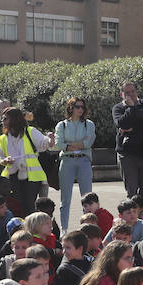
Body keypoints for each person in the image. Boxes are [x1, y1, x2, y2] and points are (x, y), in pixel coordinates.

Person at [0, 107, 53, 218]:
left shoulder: (30, 131)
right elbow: (1, 158)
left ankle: (29, 230)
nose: (3, 121)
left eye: (5, 118)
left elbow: (45, 144)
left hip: (31, 177)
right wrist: (5, 161)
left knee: (29, 206)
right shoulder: (3, 138)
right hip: (12, 176)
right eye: (2, 119)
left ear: (14, 119)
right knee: (15, 205)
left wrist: (51, 139)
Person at [113, 80, 143, 199]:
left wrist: (133, 126)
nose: (130, 94)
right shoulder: (118, 108)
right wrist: (132, 108)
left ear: (136, 91)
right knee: (132, 192)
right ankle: (132, 217)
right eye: (127, 92)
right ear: (122, 94)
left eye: (133, 91)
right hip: (128, 154)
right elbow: (121, 124)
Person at [54, 95, 96, 230]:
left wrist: (70, 144)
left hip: (84, 161)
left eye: (82, 107)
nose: (80, 109)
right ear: (70, 108)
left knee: (87, 198)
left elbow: (88, 143)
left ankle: (87, 228)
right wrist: (78, 144)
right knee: (65, 199)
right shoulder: (62, 125)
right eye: (77, 106)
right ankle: (64, 230)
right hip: (67, 161)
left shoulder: (89, 124)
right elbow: (58, 144)